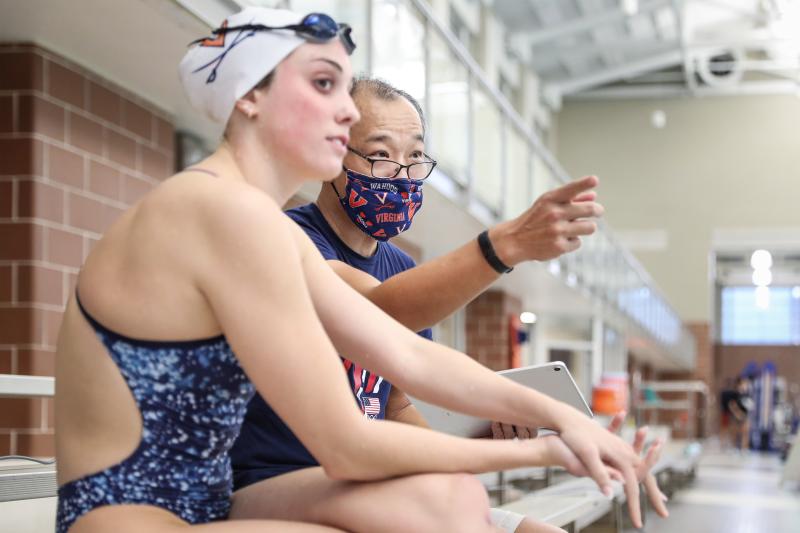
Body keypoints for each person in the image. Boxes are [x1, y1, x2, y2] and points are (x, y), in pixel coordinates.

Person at [55, 7, 647, 533]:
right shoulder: (220, 209)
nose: (344, 110)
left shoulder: (260, 222)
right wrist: (550, 452)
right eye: (323, 84)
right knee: (441, 506)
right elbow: (348, 445)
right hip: (131, 518)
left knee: (449, 502)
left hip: (217, 506)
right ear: (248, 98)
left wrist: (562, 417)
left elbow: (406, 354)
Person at [229, 76, 668, 533]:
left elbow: (394, 403)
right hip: (278, 479)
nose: (401, 173)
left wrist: (499, 428)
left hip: (364, 479)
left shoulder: (399, 265)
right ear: (332, 155)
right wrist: (505, 245)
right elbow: (378, 313)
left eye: (415, 157)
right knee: (453, 505)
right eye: (381, 156)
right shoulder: (288, 238)